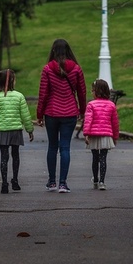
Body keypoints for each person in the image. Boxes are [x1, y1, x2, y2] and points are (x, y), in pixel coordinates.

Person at [37, 38, 86, 193]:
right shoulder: (76, 69)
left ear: (53, 51)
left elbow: (43, 94)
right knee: (65, 147)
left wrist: (39, 114)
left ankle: (52, 182)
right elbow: (82, 92)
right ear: (68, 51)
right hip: (70, 112)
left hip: (51, 112)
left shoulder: (47, 69)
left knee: (52, 146)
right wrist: (82, 111)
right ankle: (63, 184)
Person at [0, 69, 34, 194]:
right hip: (16, 130)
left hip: (2, 131)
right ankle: (15, 180)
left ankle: (4, 183)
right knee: (16, 155)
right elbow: (25, 115)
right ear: (12, 81)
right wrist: (30, 129)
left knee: (4, 157)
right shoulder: (19, 96)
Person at [82, 79, 119, 190]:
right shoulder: (111, 105)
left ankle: (96, 179)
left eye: (92, 90)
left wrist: (86, 134)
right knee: (103, 158)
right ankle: (102, 182)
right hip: (106, 134)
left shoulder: (91, 105)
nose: (91, 92)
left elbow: (88, 120)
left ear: (96, 91)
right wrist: (115, 136)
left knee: (95, 158)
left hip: (93, 134)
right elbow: (115, 123)